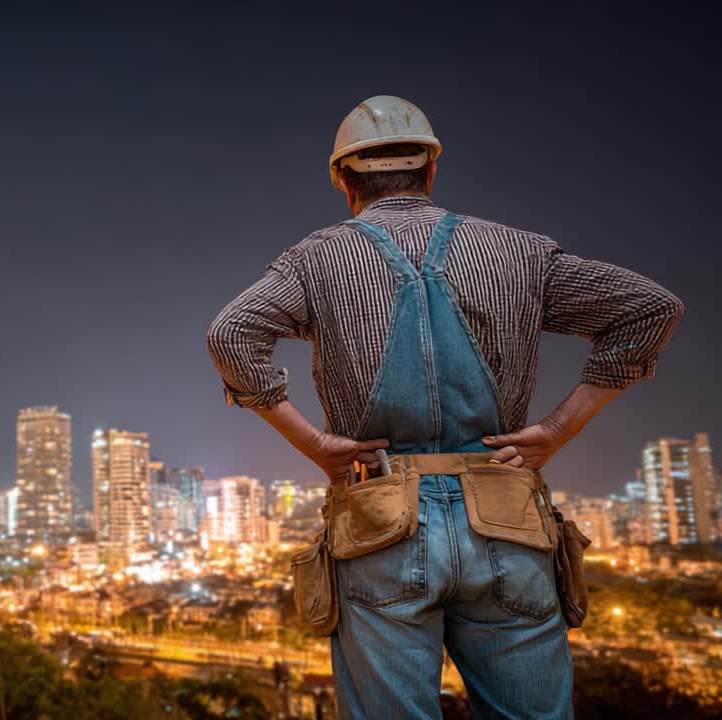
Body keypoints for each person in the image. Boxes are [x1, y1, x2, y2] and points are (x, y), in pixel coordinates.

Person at [206, 96, 683, 719]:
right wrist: (558, 430)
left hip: (381, 524)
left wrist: (314, 445)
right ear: (432, 172)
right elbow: (651, 309)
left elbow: (230, 334)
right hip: (508, 521)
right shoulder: (519, 252)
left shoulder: (315, 259)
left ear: (345, 184)